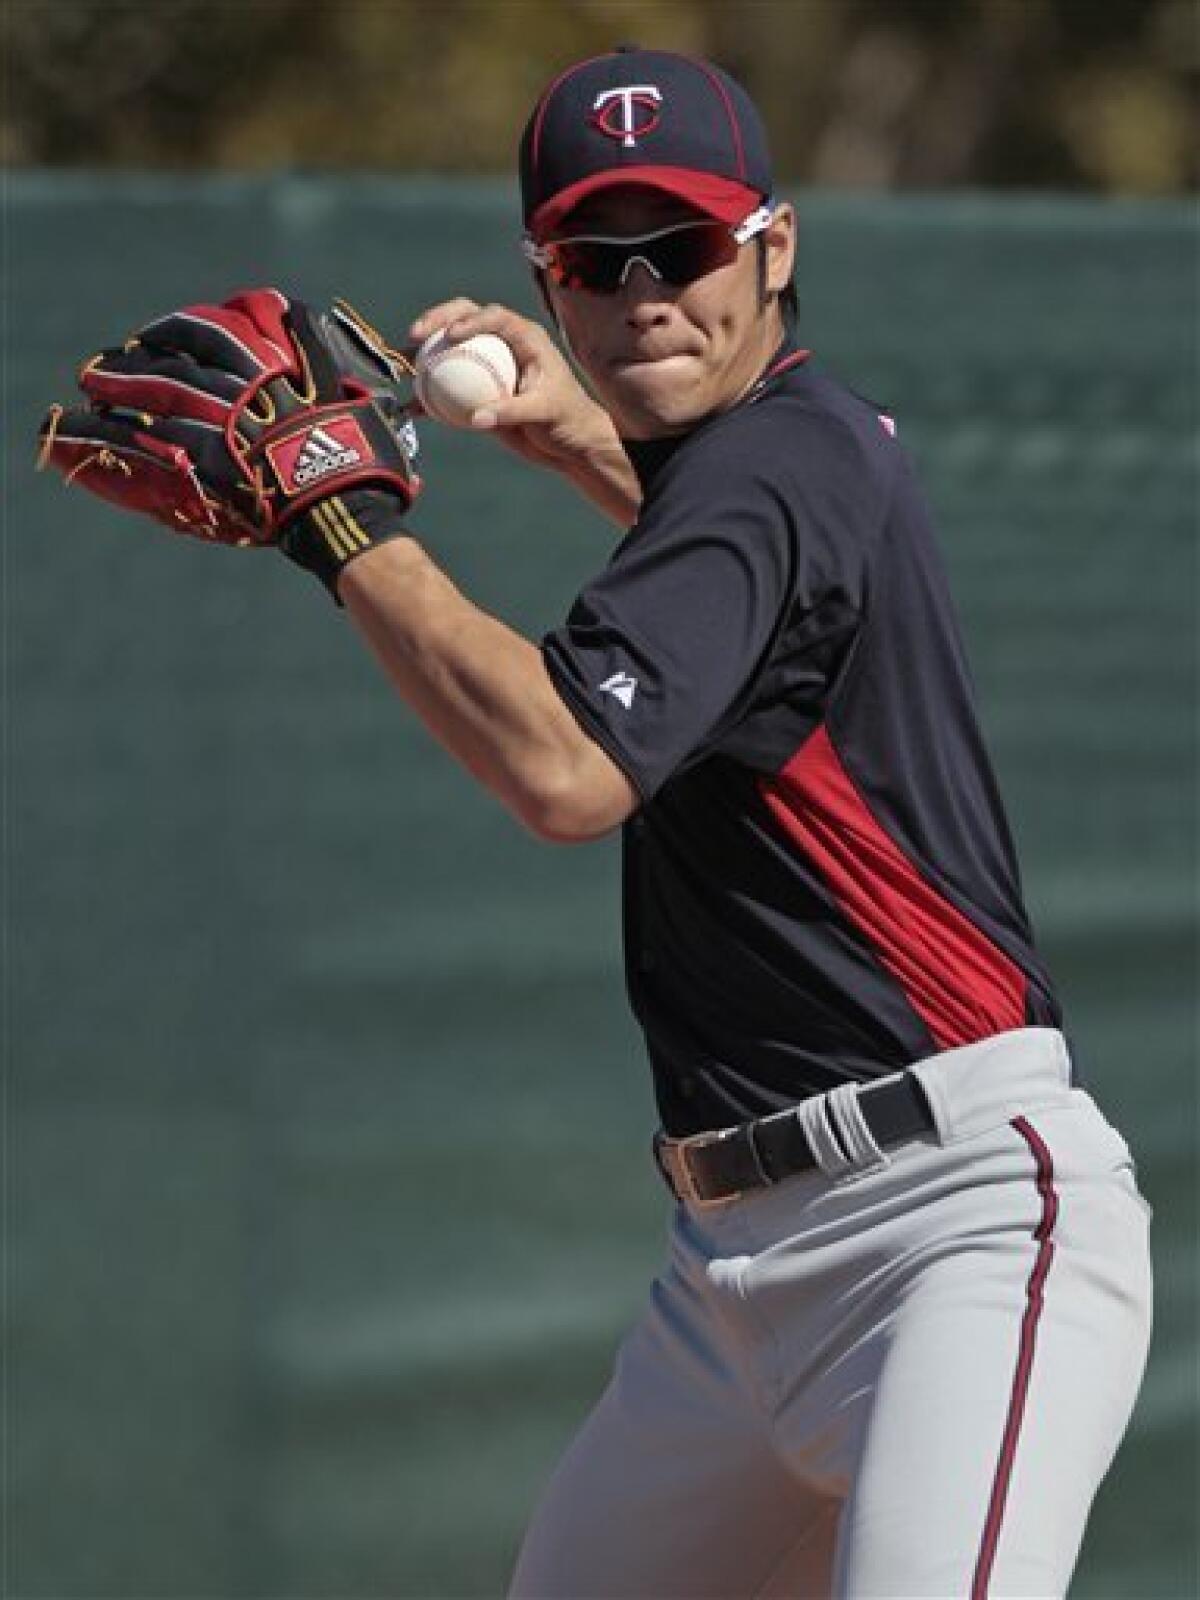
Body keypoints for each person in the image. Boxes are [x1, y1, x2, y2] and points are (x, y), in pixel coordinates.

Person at [42, 44, 1152, 1600]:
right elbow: (733, 579)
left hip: (952, 1232)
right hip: (732, 1277)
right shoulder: (779, 464)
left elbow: (566, 770)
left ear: (775, 247)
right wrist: (585, 444)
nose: (646, 296)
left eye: (685, 248)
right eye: (596, 257)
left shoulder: (776, 465)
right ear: (544, 280)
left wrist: (333, 512)